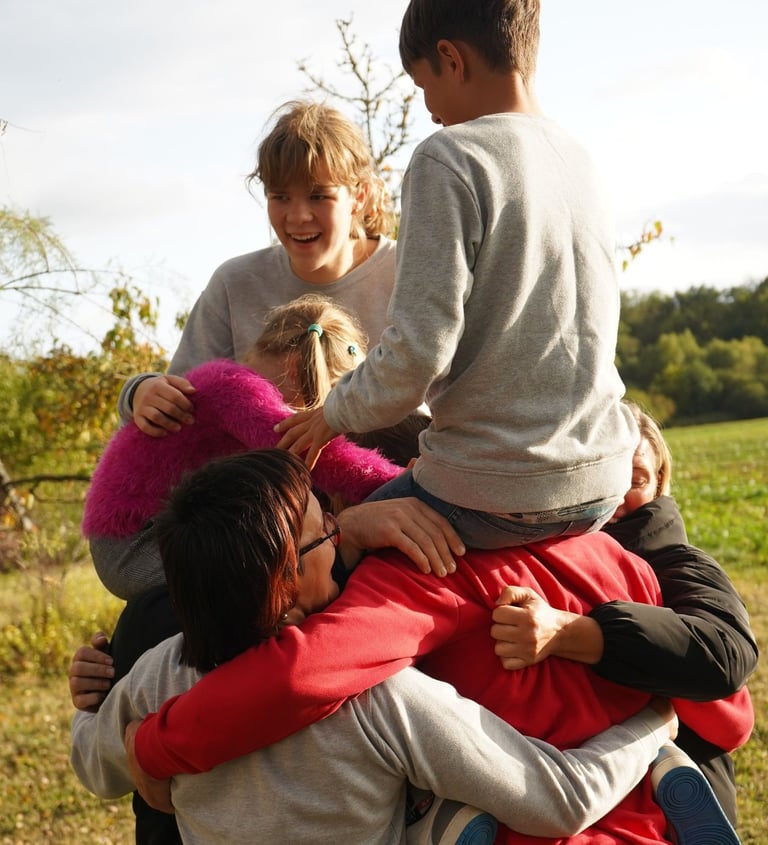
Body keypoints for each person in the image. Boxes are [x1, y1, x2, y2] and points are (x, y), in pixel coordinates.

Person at [70, 450, 680, 845]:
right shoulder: (375, 700)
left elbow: (93, 766)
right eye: (325, 535)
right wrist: (655, 725)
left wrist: (92, 704)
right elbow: (557, 800)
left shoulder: (157, 679)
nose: (341, 536)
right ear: (283, 589)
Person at [275, 0, 638, 550]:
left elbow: (418, 355)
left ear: (451, 59)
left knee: (323, 548)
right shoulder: (578, 158)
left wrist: (331, 414)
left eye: (424, 86)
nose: (430, 111)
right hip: (604, 479)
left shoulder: (449, 157)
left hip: (496, 489)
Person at [490, 402, 758, 832]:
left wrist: (574, 633)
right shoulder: (533, 551)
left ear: (659, 484)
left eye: (636, 479)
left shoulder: (678, 563)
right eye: (606, 471)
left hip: (679, 790)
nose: (617, 492)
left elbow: (725, 653)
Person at [84, 294, 408, 601]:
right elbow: (323, 459)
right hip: (132, 543)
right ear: (297, 367)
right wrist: (402, 483)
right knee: (274, 570)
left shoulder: (227, 384)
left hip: (145, 533)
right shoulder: (239, 392)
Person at [117, 99, 398, 438]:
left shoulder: (405, 273)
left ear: (359, 197)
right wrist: (139, 392)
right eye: (280, 197)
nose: (298, 216)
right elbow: (184, 402)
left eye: (318, 196)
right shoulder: (235, 283)